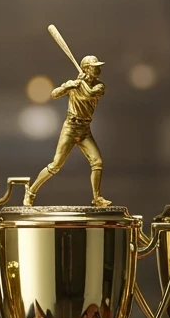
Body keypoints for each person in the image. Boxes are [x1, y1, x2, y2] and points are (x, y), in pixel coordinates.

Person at [25, 55, 110, 206]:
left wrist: (81, 83)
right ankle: (31, 191)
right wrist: (68, 86)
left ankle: (97, 198)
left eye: (98, 66)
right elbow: (53, 94)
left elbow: (89, 95)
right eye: (94, 67)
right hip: (70, 128)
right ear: (86, 69)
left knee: (97, 162)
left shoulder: (99, 86)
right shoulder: (74, 84)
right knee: (55, 165)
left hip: (84, 129)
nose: (98, 69)